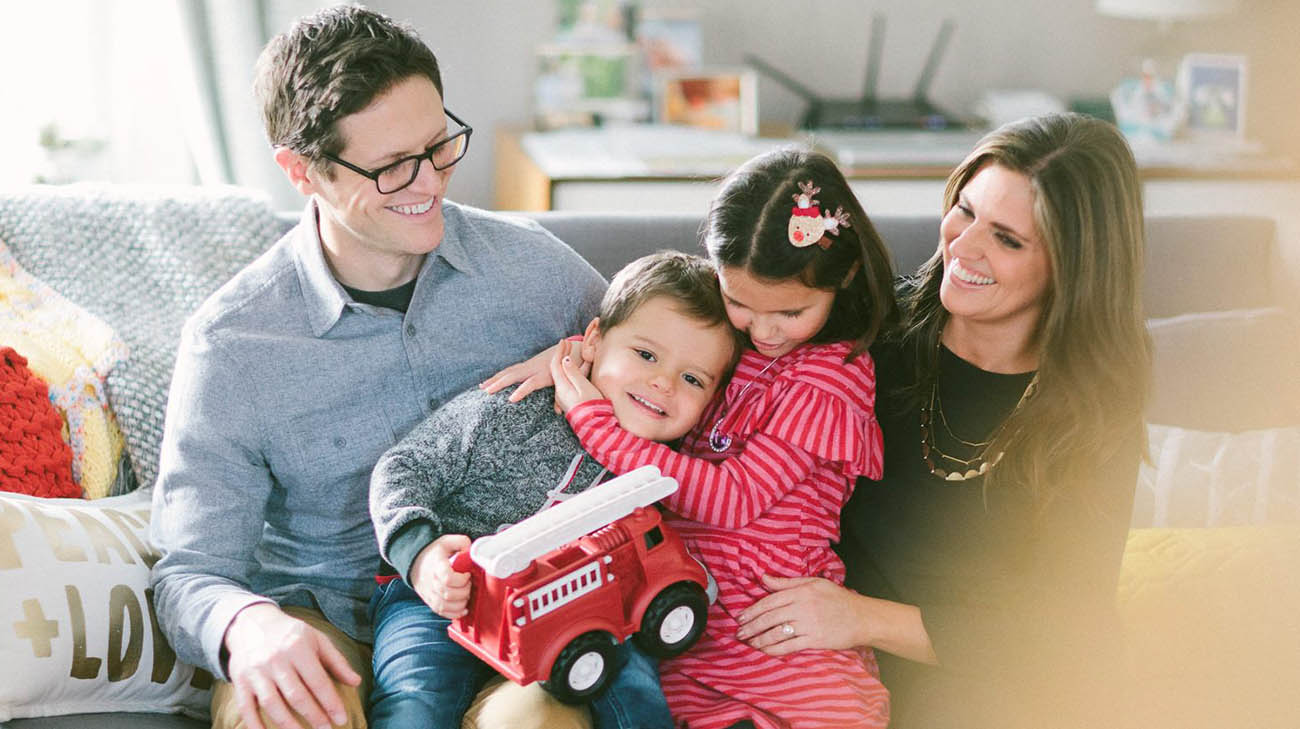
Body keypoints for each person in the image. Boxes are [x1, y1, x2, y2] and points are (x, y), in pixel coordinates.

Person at [148, 6, 606, 729]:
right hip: (327, 619)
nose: (430, 180)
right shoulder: (233, 344)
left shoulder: (538, 274)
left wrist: (593, 358)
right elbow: (189, 570)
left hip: (512, 610)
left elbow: (679, 378)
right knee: (285, 715)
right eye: (392, 165)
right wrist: (248, 626)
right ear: (302, 171)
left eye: (438, 144)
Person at [734, 113, 1151, 729]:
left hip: (1006, 685)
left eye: (1007, 239)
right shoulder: (867, 332)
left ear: (1074, 265)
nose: (964, 246)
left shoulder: (1093, 404)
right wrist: (601, 355)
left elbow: (1067, 626)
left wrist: (860, 615)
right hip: (833, 679)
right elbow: (709, 329)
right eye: (965, 209)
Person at [497, 148, 899, 729]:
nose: (762, 330)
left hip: (780, 637)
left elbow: (730, 498)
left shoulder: (829, 377)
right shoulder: (734, 340)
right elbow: (650, 326)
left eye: (789, 311)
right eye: (738, 301)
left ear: (846, 279)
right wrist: (577, 354)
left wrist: (595, 425)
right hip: (687, 628)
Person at [367, 251, 744, 729]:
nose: (663, 382)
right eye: (646, 354)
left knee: (636, 688)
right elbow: (403, 467)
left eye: (692, 379)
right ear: (593, 340)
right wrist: (420, 558)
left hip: (575, 608)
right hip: (444, 597)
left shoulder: (662, 462)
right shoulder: (516, 408)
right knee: (416, 699)